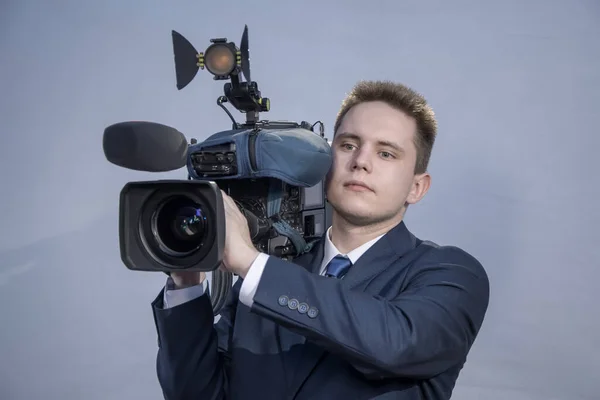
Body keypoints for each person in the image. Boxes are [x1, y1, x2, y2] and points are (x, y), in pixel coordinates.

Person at [151, 80, 490, 400]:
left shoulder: (451, 274)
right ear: (326, 163)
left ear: (417, 187)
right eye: (348, 145)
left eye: (386, 153)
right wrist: (186, 283)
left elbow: (396, 343)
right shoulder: (265, 278)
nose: (360, 162)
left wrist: (251, 264)